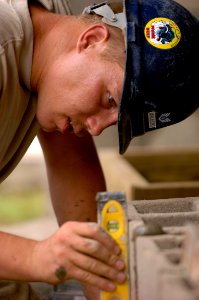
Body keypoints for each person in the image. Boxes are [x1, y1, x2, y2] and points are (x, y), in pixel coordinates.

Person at [0, 0, 199, 299]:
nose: (95, 128)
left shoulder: (54, 38)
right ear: (91, 39)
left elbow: (72, 166)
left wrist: (100, 285)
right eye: (108, 99)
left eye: (116, 121)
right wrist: (34, 257)